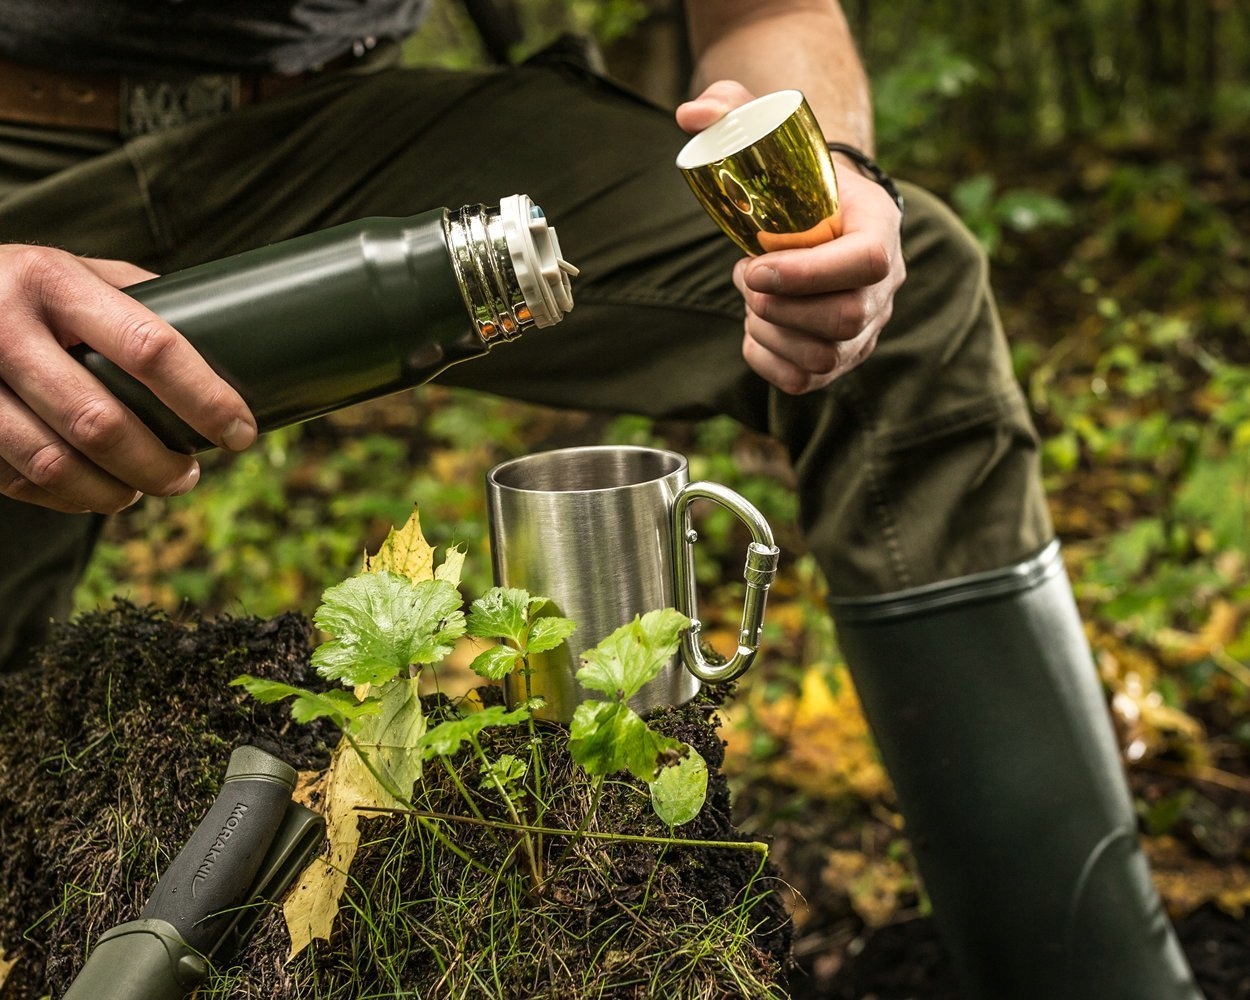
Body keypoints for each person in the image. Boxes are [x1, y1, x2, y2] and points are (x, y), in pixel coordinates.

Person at [0, 1, 1204, 997]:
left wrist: (823, 191)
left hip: (344, 131)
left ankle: (1091, 974)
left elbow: (767, 13)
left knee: (904, 297)